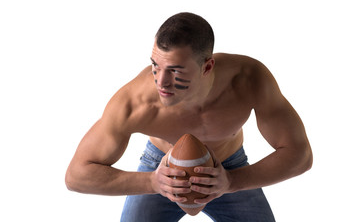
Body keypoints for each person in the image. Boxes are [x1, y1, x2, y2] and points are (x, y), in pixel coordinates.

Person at [65, 12, 312, 221]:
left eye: (175, 70)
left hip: (228, 167)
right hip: (161, 168)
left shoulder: (248, 80)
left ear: (207, 67)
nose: (161, 82)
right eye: (156, 65)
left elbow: (300, 155)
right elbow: (76, 175)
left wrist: (231, 181)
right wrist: (153, 182)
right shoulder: (134, 103)